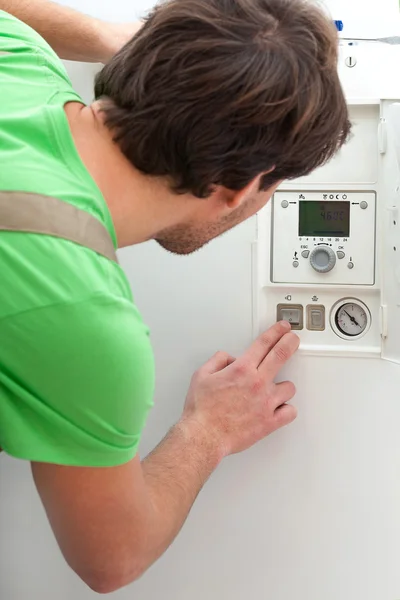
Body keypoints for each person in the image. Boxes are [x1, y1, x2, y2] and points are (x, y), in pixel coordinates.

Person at [0, 0, 350, 593]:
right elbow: (110, 557)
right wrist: (208, 430)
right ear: (237, 187)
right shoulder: (81, 317)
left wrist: (126, 41)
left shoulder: (17, 55)